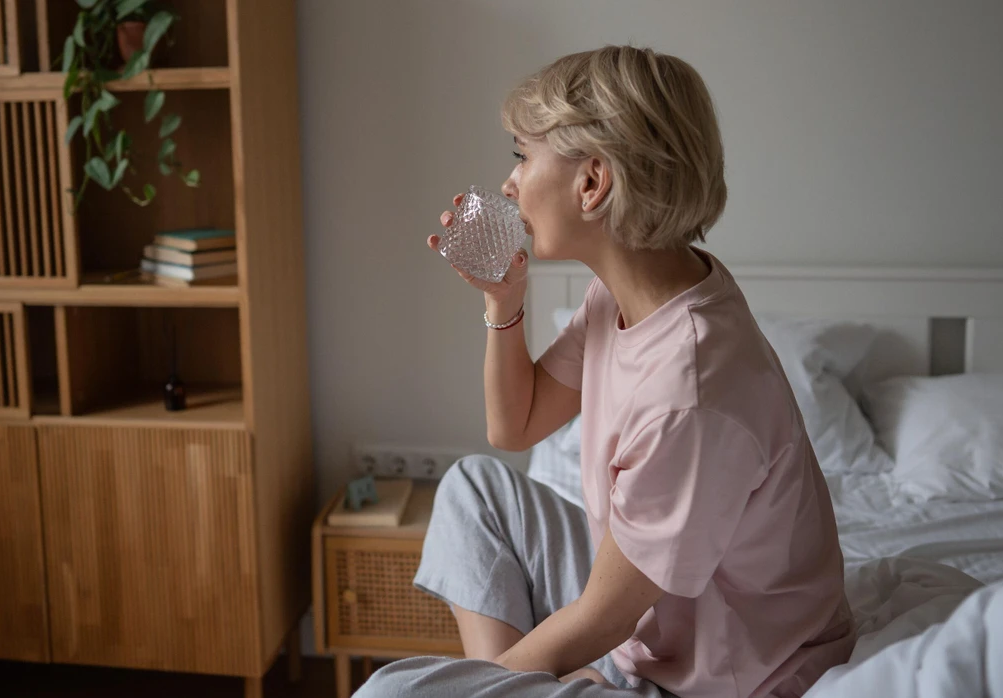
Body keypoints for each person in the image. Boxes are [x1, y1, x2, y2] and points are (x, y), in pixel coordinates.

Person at [355, 45, 856, 698]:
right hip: (650, 619)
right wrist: (503, 303)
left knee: (391, 694)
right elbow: (516, 426)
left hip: (721, 679)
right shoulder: (629, 295)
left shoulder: (693, 393)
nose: (509, 184)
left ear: (592, 183)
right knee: (471, 489)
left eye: (521, 157)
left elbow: (602, 616)